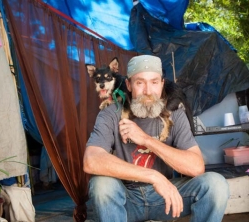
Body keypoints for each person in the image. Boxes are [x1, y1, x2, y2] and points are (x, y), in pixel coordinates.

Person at [83, 55, 229, 222]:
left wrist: (146, 140)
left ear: (162, 84)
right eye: (140, 83)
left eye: (154, 82)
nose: (148, 91)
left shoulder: (175, 115)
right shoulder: (111, 114)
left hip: (165, 198)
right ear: (129, 85)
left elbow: (196, 167)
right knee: (101, 185)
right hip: (125, 199)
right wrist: (154, 176)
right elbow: (91, 161)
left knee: (216, 184)